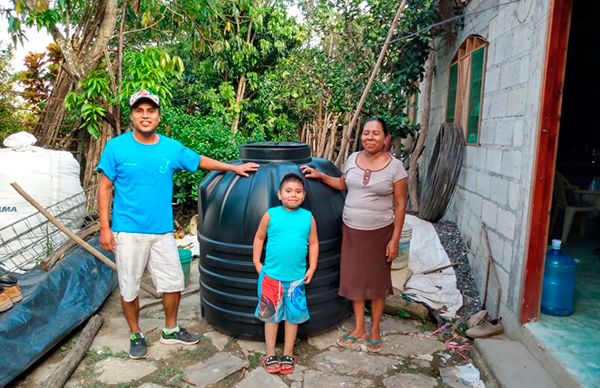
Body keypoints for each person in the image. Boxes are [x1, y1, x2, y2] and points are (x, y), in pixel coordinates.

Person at [97, 89, 259, 359]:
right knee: (129, 285)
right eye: (140, 111)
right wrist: (105, 227)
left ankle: (170, 330)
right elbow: (104, 186)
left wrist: (233, 168)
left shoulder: (170, 148)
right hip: (128, 229)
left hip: (162, 230)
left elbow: (199, 161)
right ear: (132, 115)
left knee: (173, 283)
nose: (145, 116)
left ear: (159, 116)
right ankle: (136, 333)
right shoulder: (116, 147)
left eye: (151, 111)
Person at [301, 117, 408, 353]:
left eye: (375, 133)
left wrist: (395, 238)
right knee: (355, 280)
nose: (370, 137)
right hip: (351, 230)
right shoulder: (352, 159)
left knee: (378, 283)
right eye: (366, 133)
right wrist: (320, 176)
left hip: (380, 232)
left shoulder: (395, 167)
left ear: (386, 138)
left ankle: (375, 329)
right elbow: (342, 184)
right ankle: (359, 328)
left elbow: (401, 205)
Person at [252, 173, 318, 374]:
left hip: (296, 280)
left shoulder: (308, 217)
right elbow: (259, 238)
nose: (293, 195)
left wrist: (312, 267)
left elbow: (314, 243)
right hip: (271, 278)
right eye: (288, 191)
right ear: (279, 195)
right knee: (271, 317)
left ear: (304, 195)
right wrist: (257, 261)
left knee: (293, 318)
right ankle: (270, 353)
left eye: (298, 192)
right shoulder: (271, 215)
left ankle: (288, 352)